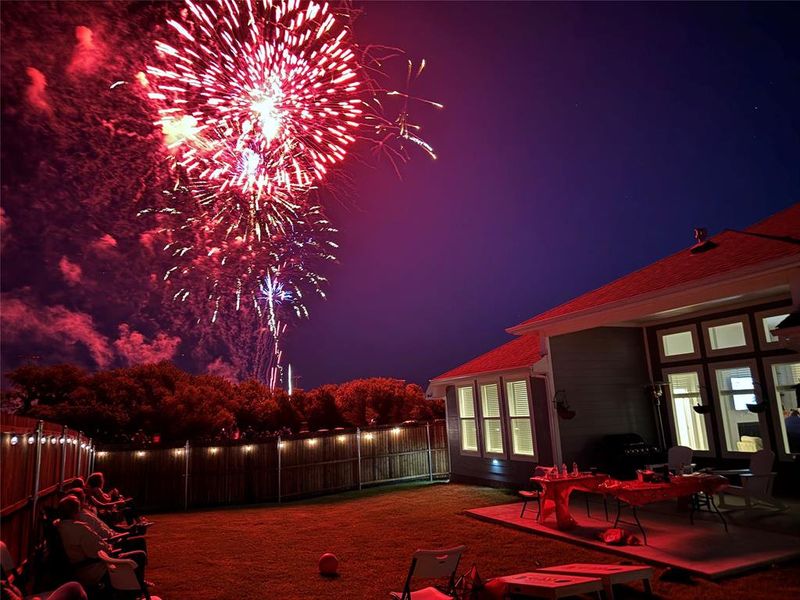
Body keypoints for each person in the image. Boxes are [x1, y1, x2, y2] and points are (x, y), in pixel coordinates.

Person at [56, 496, 150, 592]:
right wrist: (109, 547)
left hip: (83, 567)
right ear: (75, 511)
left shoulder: (61, 527)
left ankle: (137, 584)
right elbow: (98, 549)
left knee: (135, 549)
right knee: (139, 555)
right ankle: (135, 588)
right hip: (95, 569)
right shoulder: (78, 528)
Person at [65, 488, 148, 554]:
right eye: (84, 498)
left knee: (128, 508)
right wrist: (118, 536)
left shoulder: (84, 514)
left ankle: (134, 528)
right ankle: (134, 528)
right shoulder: (84, 517)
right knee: (140, 542)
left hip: (110, 535)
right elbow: (99, 539)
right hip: (111, 541)